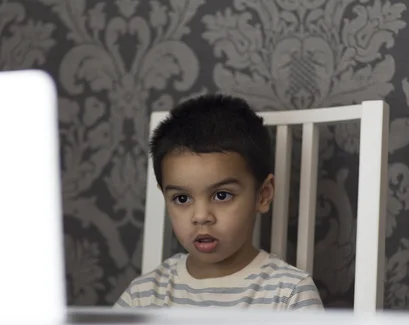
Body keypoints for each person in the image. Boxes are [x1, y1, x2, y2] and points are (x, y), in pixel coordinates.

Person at [115, 94, 323, 310]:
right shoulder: (144, 295)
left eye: (221, 195)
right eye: (182, 198)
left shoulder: (289, 292)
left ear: (263, 195)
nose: (201, 216)